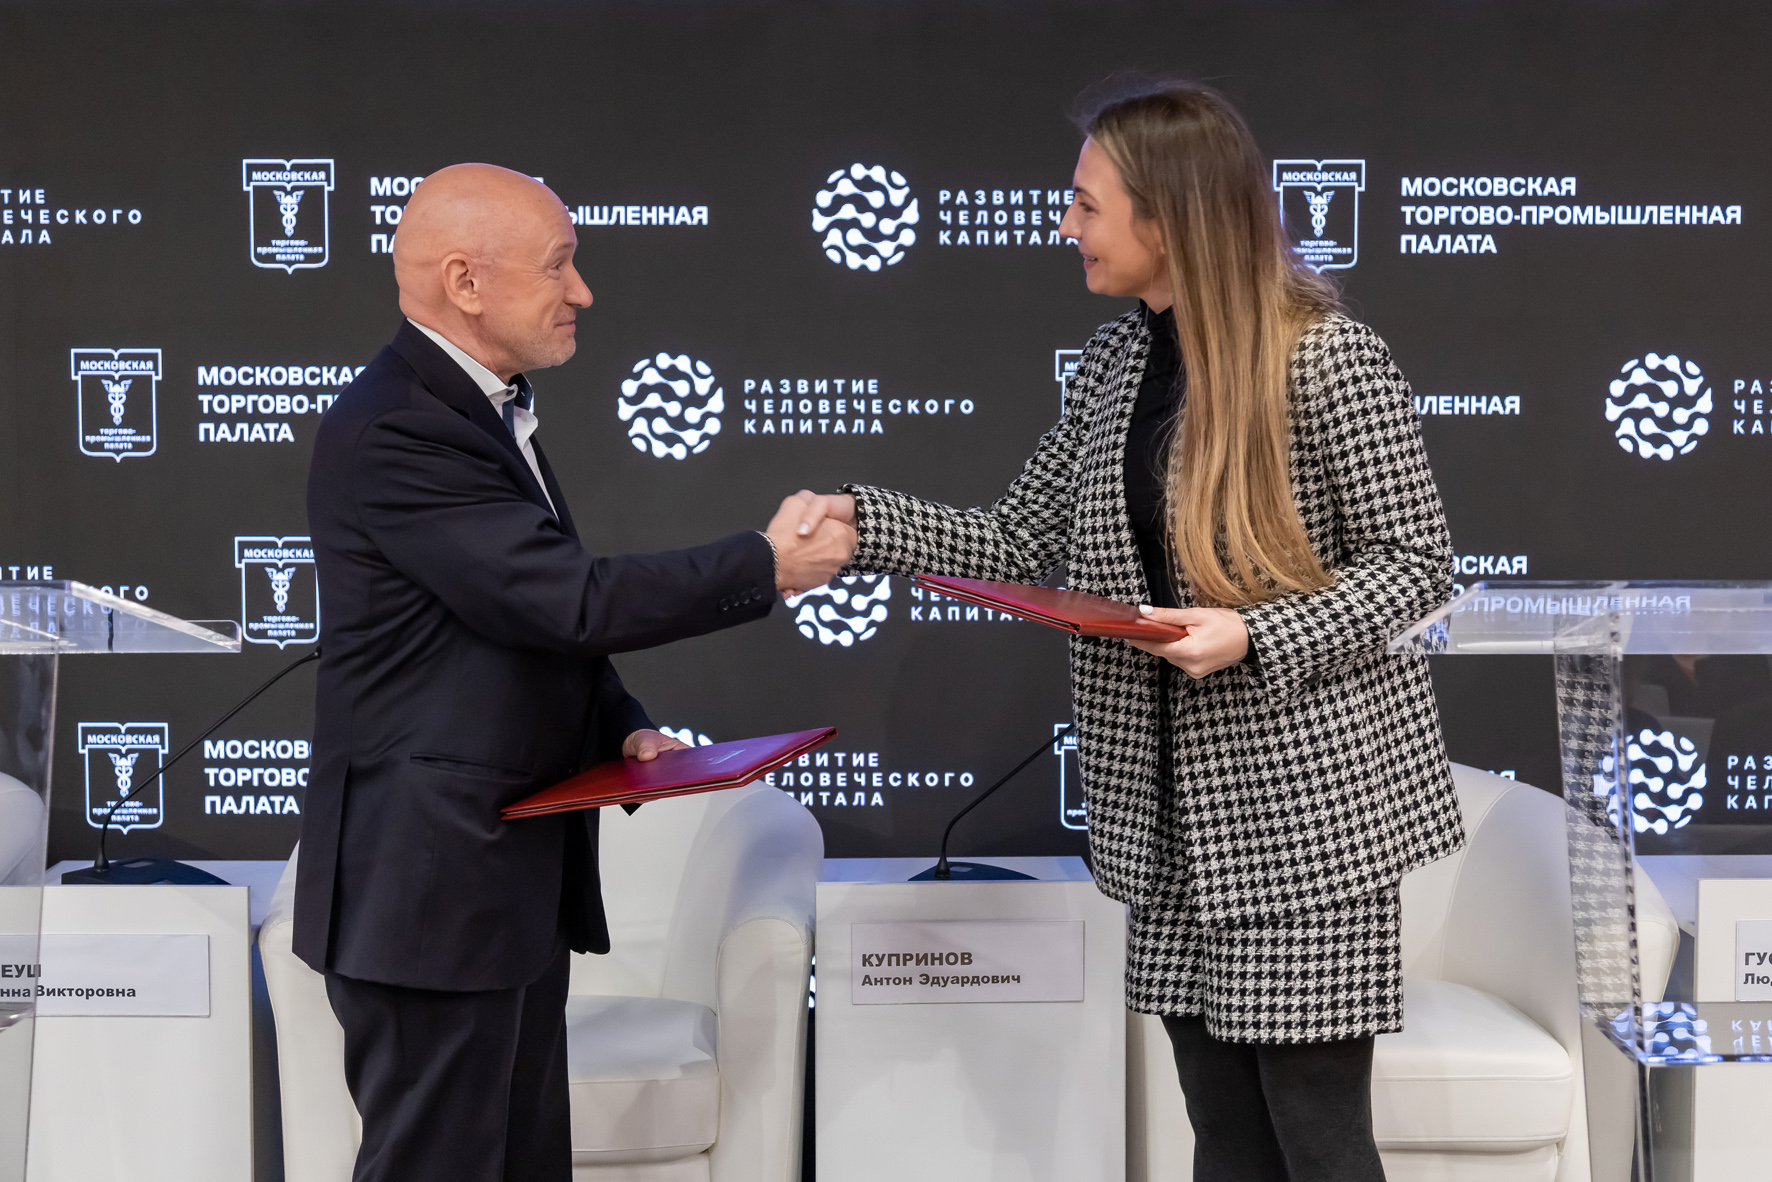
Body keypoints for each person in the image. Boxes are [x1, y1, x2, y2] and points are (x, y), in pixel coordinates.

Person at [794, 81, 1464, 1180]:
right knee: (1224, 1136)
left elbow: (1415, 565)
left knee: (1316, 1137)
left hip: (1306, 821)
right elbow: (1018, 537)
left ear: (1169, 216)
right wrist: (860, 523)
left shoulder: (1323, 357)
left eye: (1086, 204)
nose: (1065, 225)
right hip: (1166, 827)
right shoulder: (1117, 362)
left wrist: (1254, 636)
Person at [296, 163, 853, 1182]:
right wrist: (765, 564)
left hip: (493, 886)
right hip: (431, 895)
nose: (582, 291)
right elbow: (567, 600)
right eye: (559, 265)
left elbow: (521, 625)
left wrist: (619, 723)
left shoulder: (479, 410)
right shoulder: (401, 429)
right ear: (466, 283)